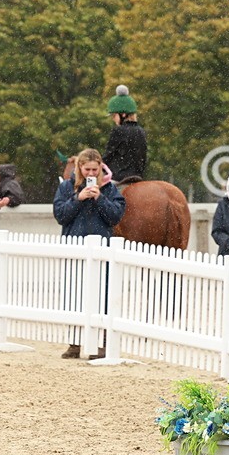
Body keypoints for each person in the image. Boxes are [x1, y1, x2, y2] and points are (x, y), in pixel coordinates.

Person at [53, 147, 127, 359]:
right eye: (87, 169)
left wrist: (100, 199)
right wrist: (78, 198)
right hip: (75, 249)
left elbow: (115, 217)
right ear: (79, 168)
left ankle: (100, 344)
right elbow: (60, 215)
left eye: (95, 169)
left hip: (102, 249)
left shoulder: (110, 189)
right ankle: (74, 343)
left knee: (101, 297)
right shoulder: (66, 187)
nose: (91, 174)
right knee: (74, 296)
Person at [103, 84, 147, 184]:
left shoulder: (118, 131)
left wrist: (97, 164)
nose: (113, 119)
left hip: (118, 177)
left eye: (114, 115)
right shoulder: (141, 131)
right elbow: (143, 158)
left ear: (123, 115)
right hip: (137, 176)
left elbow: (108, 155)